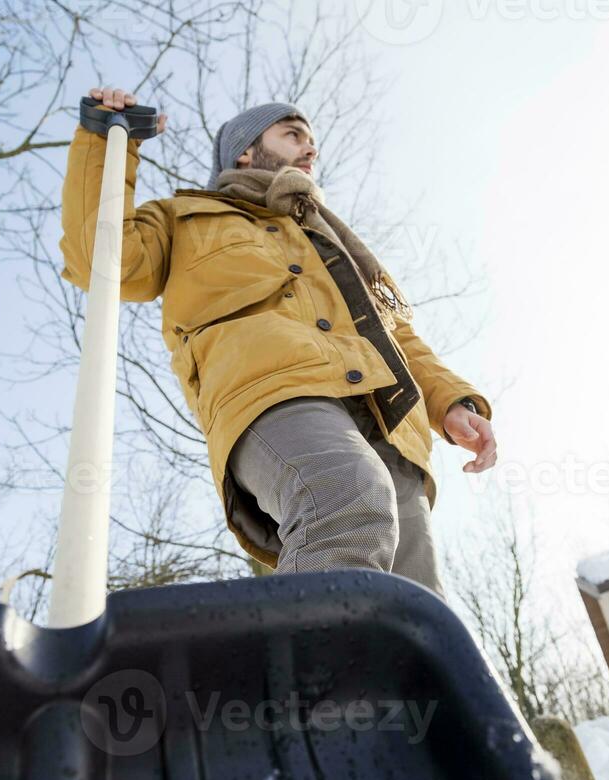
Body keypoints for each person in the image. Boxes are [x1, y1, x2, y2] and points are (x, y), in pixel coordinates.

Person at [59, 85, 497, 599]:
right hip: (275, 397)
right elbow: (99, 258)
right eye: (293, 135)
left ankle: (395, 682)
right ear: (244, 150)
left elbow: (396, 335)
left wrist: (452, 402)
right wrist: (102, 138)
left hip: (387, 417)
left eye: (311, 141)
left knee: (416, 595)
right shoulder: (186, 219)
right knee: (347, 495)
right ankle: (306, 673)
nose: (310, 149)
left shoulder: (331, 242)